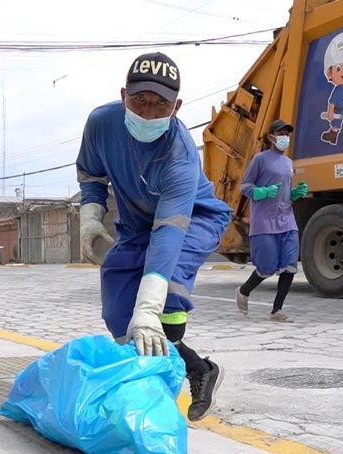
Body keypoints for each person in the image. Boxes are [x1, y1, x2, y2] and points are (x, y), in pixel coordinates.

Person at [76, 52, 232, 422]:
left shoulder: (180, 155)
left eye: (160, 104)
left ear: (176, 107)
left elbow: (167, 236)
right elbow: (91, 175)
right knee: (119, 312)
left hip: (192, 220)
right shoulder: (101, 123)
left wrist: (148, 311)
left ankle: (158, 399)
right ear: (123, 95)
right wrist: (90, 218)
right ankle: (199, 367)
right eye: (139, 100)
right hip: (135, 223)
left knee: (167, 293)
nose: (147, 112)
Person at [235, 119, 308, 322]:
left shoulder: (288, 163)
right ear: (271, 137)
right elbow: (245, 186)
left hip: (286, 220)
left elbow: (284, 193)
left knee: (290, 264)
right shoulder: (260, 159)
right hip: (264, 221)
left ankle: (277, 310)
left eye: (287, 133)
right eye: (281, 132)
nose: (285, 137)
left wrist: (295, 194)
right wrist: (261, 192)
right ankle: (244, 290)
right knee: (267, 267)